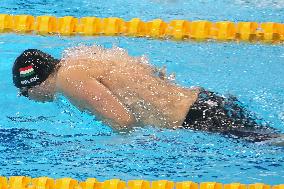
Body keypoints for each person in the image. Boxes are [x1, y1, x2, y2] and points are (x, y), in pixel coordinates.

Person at [12, 46, 283, 143]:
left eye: (25, 93)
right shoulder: (84, 56)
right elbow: (156, 73)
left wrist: (97, 150)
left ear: (33, 83)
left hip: (200, 120)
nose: (29, 98)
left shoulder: (68, 78)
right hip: (207, 102)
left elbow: (124, 122)